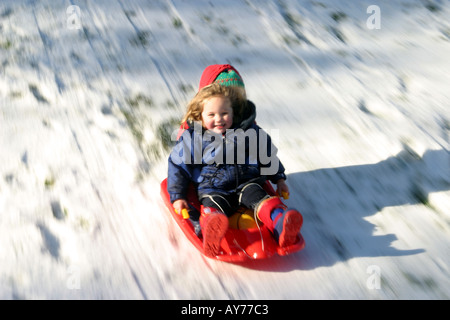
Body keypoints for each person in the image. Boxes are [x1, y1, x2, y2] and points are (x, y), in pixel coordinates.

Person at [167, 65, 303, 257]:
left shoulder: (249, 130)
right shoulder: (195, 136)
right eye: (211, 115)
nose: (219, 119)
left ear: (233, 110)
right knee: (213, 209)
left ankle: (281, 222)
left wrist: (279, 179)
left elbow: (267, 154)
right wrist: (178, 196)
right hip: (214, 187)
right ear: (200, 114)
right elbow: (178, 165)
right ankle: (210, 229)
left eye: (224, 113)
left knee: (264, 201)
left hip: (248, 182)